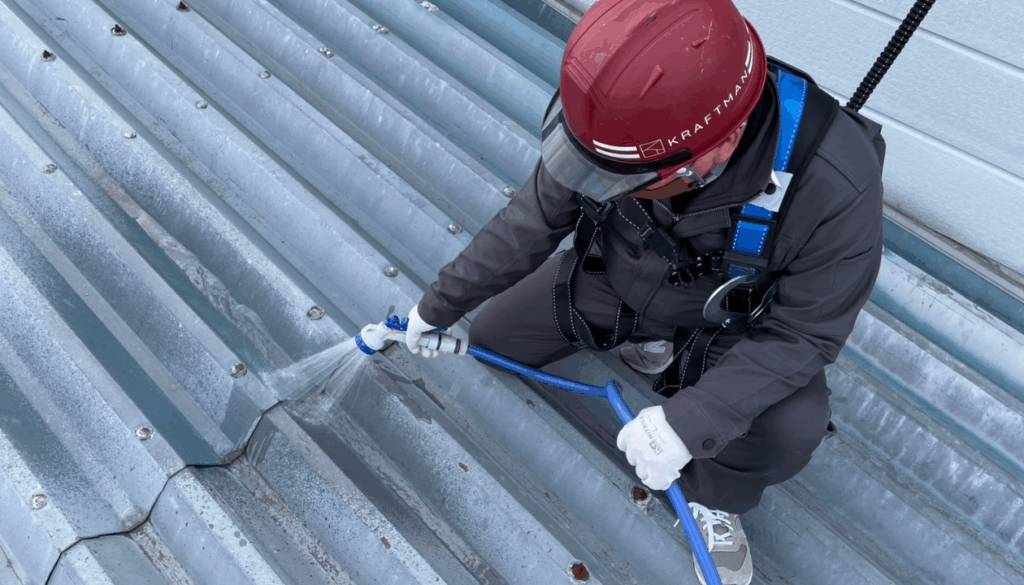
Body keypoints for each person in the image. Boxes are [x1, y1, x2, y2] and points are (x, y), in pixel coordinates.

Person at [405, 0, 885, 583]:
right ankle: (653, 345)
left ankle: (715, 493)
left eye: (619, 179)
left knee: (789, 428)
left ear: (720, 145)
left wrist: (691, 421)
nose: (597, 185)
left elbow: (803, 333)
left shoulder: (836, 184)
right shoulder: (616, 119)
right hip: (618, 276)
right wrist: (438, 306)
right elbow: (533, 218)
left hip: (733, 327)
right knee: (494, 338)